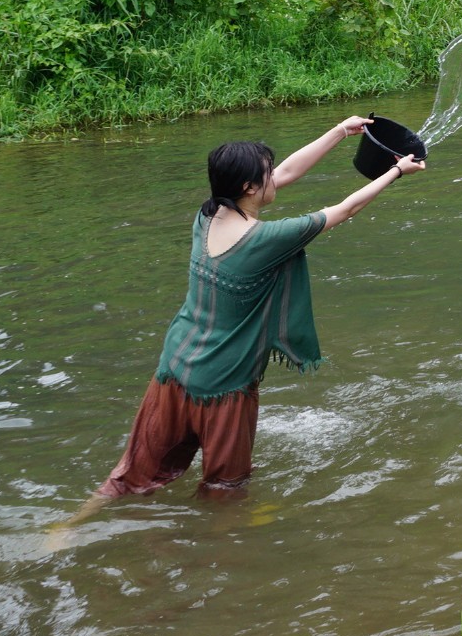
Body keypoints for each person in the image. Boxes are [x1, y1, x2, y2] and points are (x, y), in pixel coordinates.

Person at [88, 116, 424, 504]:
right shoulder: (266, 239)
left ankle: (73, 523)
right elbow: (345, 210)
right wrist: (397, 170)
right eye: (265, 175)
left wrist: (338, 131)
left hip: (174, 368)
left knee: (132, 474)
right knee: (225, 489)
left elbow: (287, 171)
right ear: (249, 187)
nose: (274, 177)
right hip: (224, 383)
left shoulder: (208, 214)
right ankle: (222, 552)